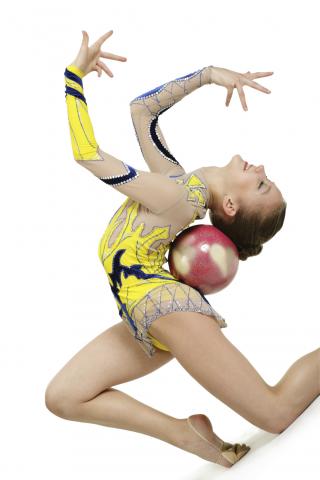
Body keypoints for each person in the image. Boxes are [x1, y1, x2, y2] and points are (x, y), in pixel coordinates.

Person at [45, 30, 320, 468]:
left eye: (262, 184)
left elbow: (86, 153)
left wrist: (72, 78)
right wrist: (210, 75)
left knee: (277, 411)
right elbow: (142, 111)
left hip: (163, 306)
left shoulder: (176, 197)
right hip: (141, 312)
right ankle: (185, 433)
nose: (262, 168)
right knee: (64, 396)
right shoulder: (176, 181)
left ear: (229, 206)